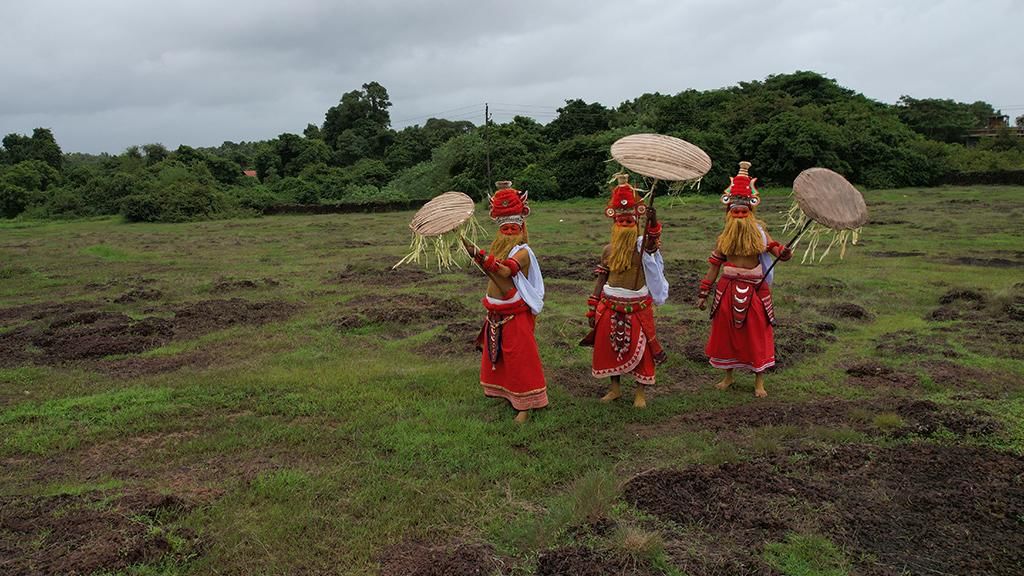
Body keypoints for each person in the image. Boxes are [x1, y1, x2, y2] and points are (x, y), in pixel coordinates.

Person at [697, 162, 792, 397]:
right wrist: (704, 293)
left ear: (750, 213)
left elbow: (776, 250)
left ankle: (759, 382)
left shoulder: (760, 234)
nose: (739, 215)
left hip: (755, 291)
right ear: (729, 213)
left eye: (743, 212)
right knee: (726, 333)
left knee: (756, 333)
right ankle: (728, 376)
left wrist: (784, 252)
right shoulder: (723, 238)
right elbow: (714, 267)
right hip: (727, 290)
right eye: (735, 212)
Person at [581, 173, 669, 409]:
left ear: (636, 223)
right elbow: (601, 278)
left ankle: (640, 393)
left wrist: (653, 220)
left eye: (629, 222)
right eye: (621, 222)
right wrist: (593, 306)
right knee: (609, 349)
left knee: (643, 352)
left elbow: (653, 241)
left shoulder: (642, 248)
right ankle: (615, 389)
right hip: (609, 305)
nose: (625, 225)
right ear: (614, 224)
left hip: (637, 308)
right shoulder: (608, 250)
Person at [462, 181, 548, 423]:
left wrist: (478, 254)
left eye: (513, 228)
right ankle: (508, 395)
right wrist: (469, 247)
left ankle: (526, 405)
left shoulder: (523, 253)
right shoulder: (497, 251)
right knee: (500, 358)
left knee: (520, 359)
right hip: (496, 314)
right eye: (505, 228)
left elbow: (504, 272)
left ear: (521, 228)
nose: (508, 232)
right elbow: (490, 268)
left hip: (515, 315)